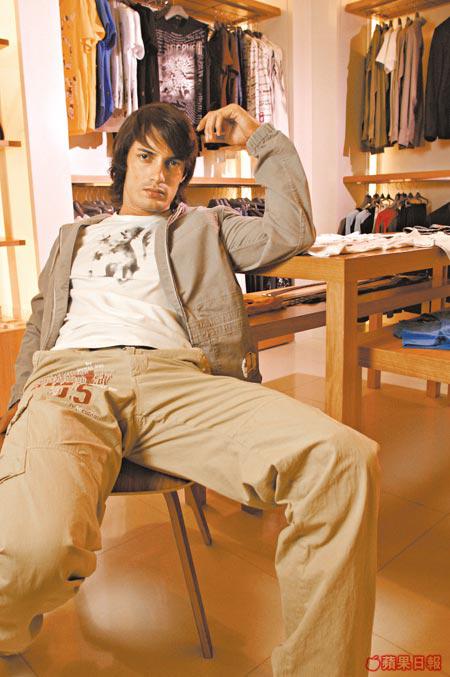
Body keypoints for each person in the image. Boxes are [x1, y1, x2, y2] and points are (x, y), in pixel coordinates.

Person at [0, 102, 380, 676]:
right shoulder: (72, 235)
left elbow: (292, 231)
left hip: (179, 380)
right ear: (122, 163)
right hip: (72, 380)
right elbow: (39, 323)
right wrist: (17, 401)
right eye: (146, 157)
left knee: (344, 460)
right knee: (34, 555)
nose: (160, 174)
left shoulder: (207, 226)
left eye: (174, 164)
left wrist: (258, 137)